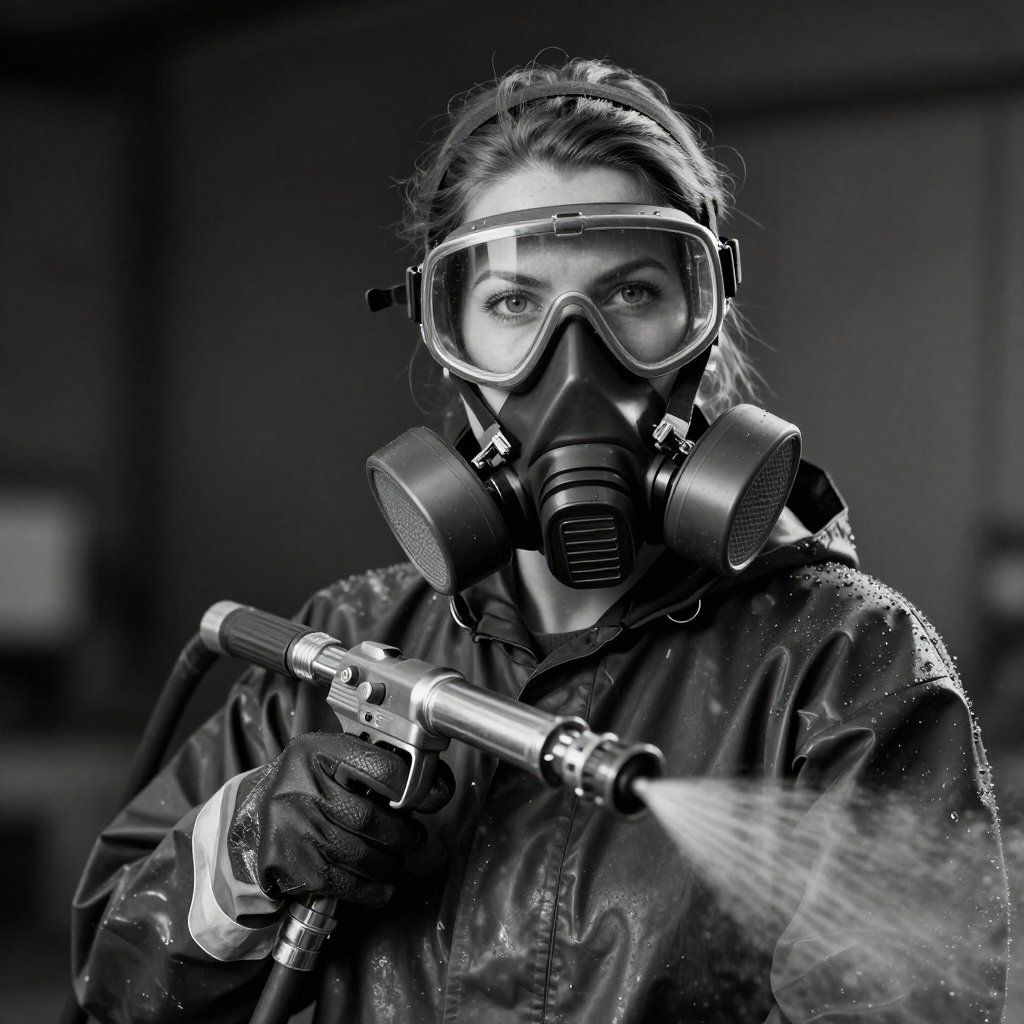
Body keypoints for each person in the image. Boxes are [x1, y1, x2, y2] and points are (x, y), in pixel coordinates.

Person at [70, 58, 1009, 1024]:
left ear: (704, 320)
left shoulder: (843, 670)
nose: (575, 361)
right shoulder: (340, 646)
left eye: (633, 294)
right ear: (451, 338)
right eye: (515, 304)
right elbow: (111, 983)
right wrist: (246, 852)